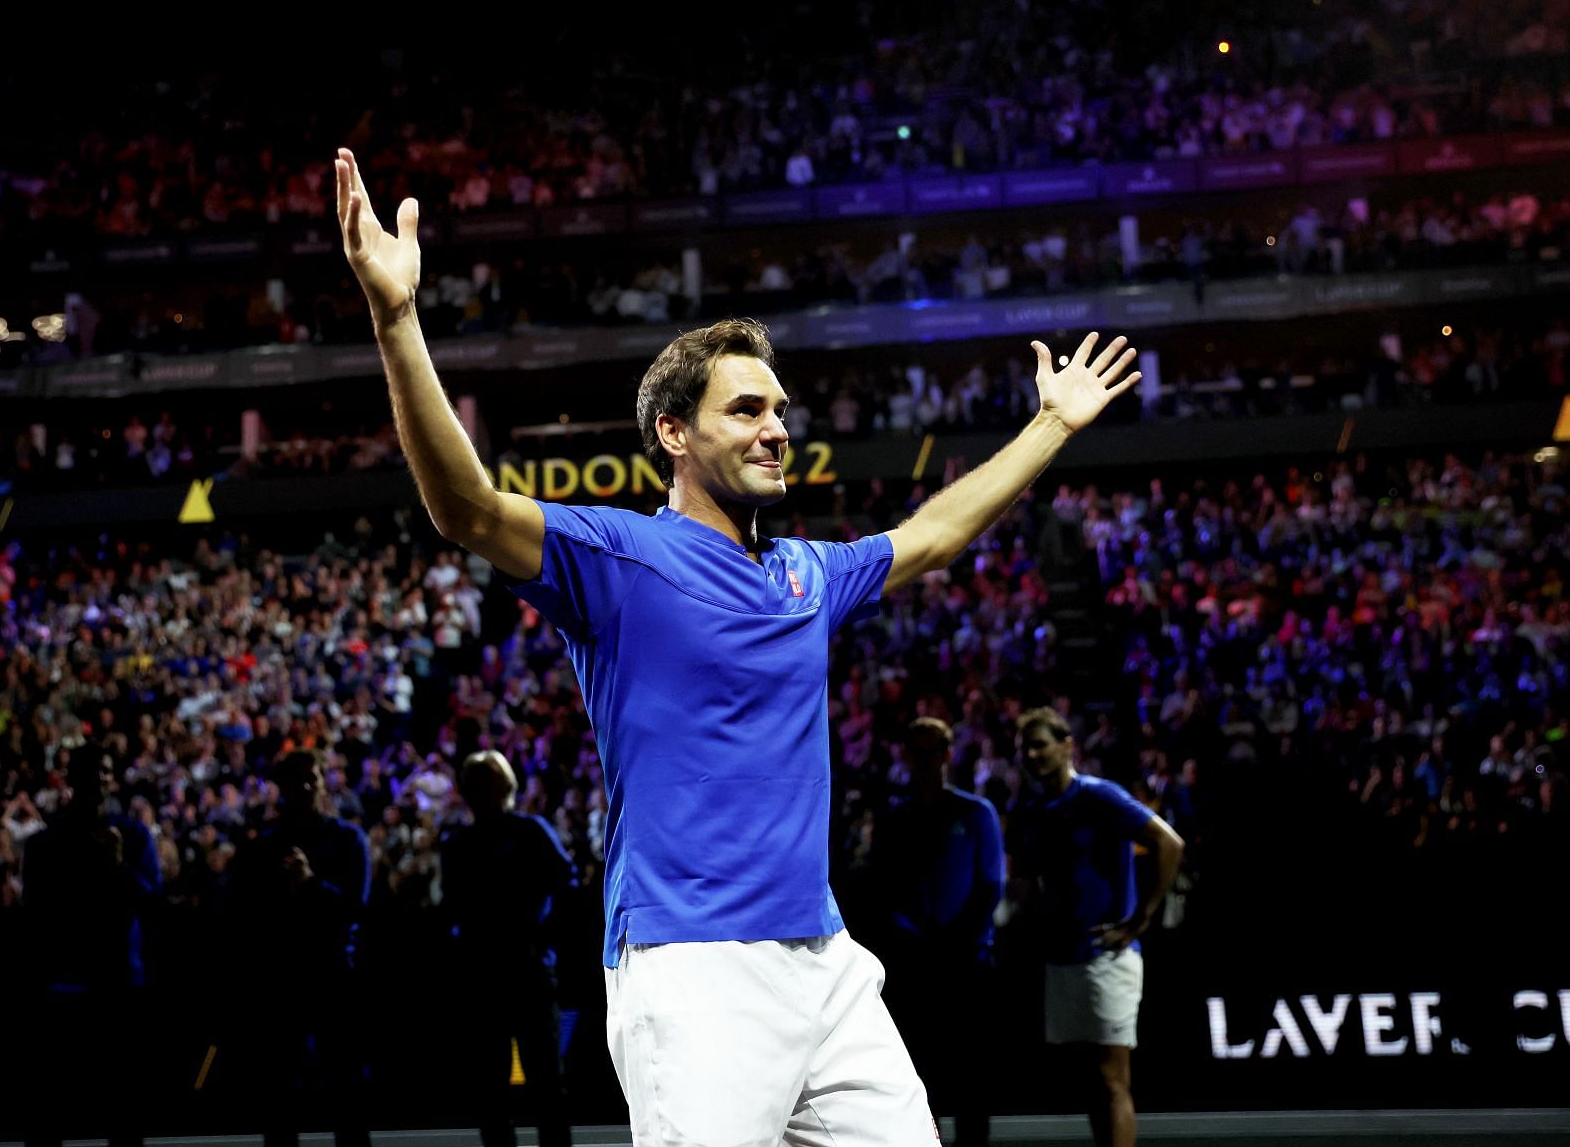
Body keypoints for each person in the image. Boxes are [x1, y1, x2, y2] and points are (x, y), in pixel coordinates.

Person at [335, 147, 1140, 1146]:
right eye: (747, 409)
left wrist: (1050, 423)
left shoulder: (806, 570)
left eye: (780, 410)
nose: (776, 429)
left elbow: (936, 534)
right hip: (692, 967)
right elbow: (463, 505)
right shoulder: (620, 555)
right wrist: (397, 317)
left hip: (828, 961)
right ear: (673, 430)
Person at [1008, 708, 1185, 1147]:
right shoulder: (1030, 808)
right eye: (1026, 748)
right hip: (1061, 956)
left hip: (1106, 956)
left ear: (1068, 746)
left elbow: (1168, 843)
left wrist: (1141, 919)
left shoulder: (1099, 796)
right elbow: (1031, 878)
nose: (1033, 755)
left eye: (1042, 745)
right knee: (1090, 1080)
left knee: (1111, 1080)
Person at [868, 718, 1006, 1147]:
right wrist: (916, 941)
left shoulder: (977, 813)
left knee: (970, 1079)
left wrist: (955, 942)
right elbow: (883, 889)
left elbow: (990, 887)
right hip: (915, 967)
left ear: (947, 755)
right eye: (918, 753)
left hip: (968, 965)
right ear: (906, 759)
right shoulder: (896, 820)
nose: (925, 763)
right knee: (920, 1079)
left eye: (933, 753)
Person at [226, 748, 373, 1147]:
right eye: (298, 781)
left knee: (346, 1087)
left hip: (333, 977)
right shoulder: (265, 845)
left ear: (324, 783)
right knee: (279, 1092)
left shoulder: (347, 839)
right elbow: (243, 908)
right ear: (284, 789)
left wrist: (309, 884)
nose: (307, 787)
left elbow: (354, 908)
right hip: (281, 980)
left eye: (313, 778)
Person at [21, 742, 162, 1145]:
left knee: (124, 1105)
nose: (99, 779)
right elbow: (37, 913)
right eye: (90, 772)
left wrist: (118, 867)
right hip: (62, 985)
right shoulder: (45, 844)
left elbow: (153, 905)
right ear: (72, 780)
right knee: (52, 1108)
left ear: (111, 779)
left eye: (104, 771)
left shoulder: (134, 837)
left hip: (120, 983)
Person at [439, 750, 577, 1147]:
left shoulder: (519, 833)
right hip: (503, 977)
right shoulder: (473, 842)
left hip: (515, 974)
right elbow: (567, 885)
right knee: (522, 1090)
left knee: (521, 1090)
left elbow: (565, 887)